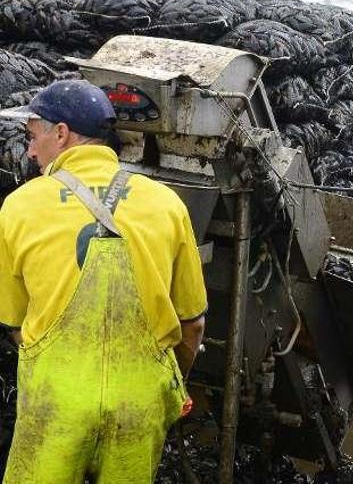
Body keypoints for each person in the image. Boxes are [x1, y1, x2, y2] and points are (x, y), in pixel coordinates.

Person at [0, 80, 208, 482]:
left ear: (60, 134)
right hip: (139, 401)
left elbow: (15, 325)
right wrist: (161, 385)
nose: (29, 150)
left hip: (57, 400)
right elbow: (193, 325)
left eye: (32, 136)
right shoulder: (166, 203)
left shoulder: (19, 206)